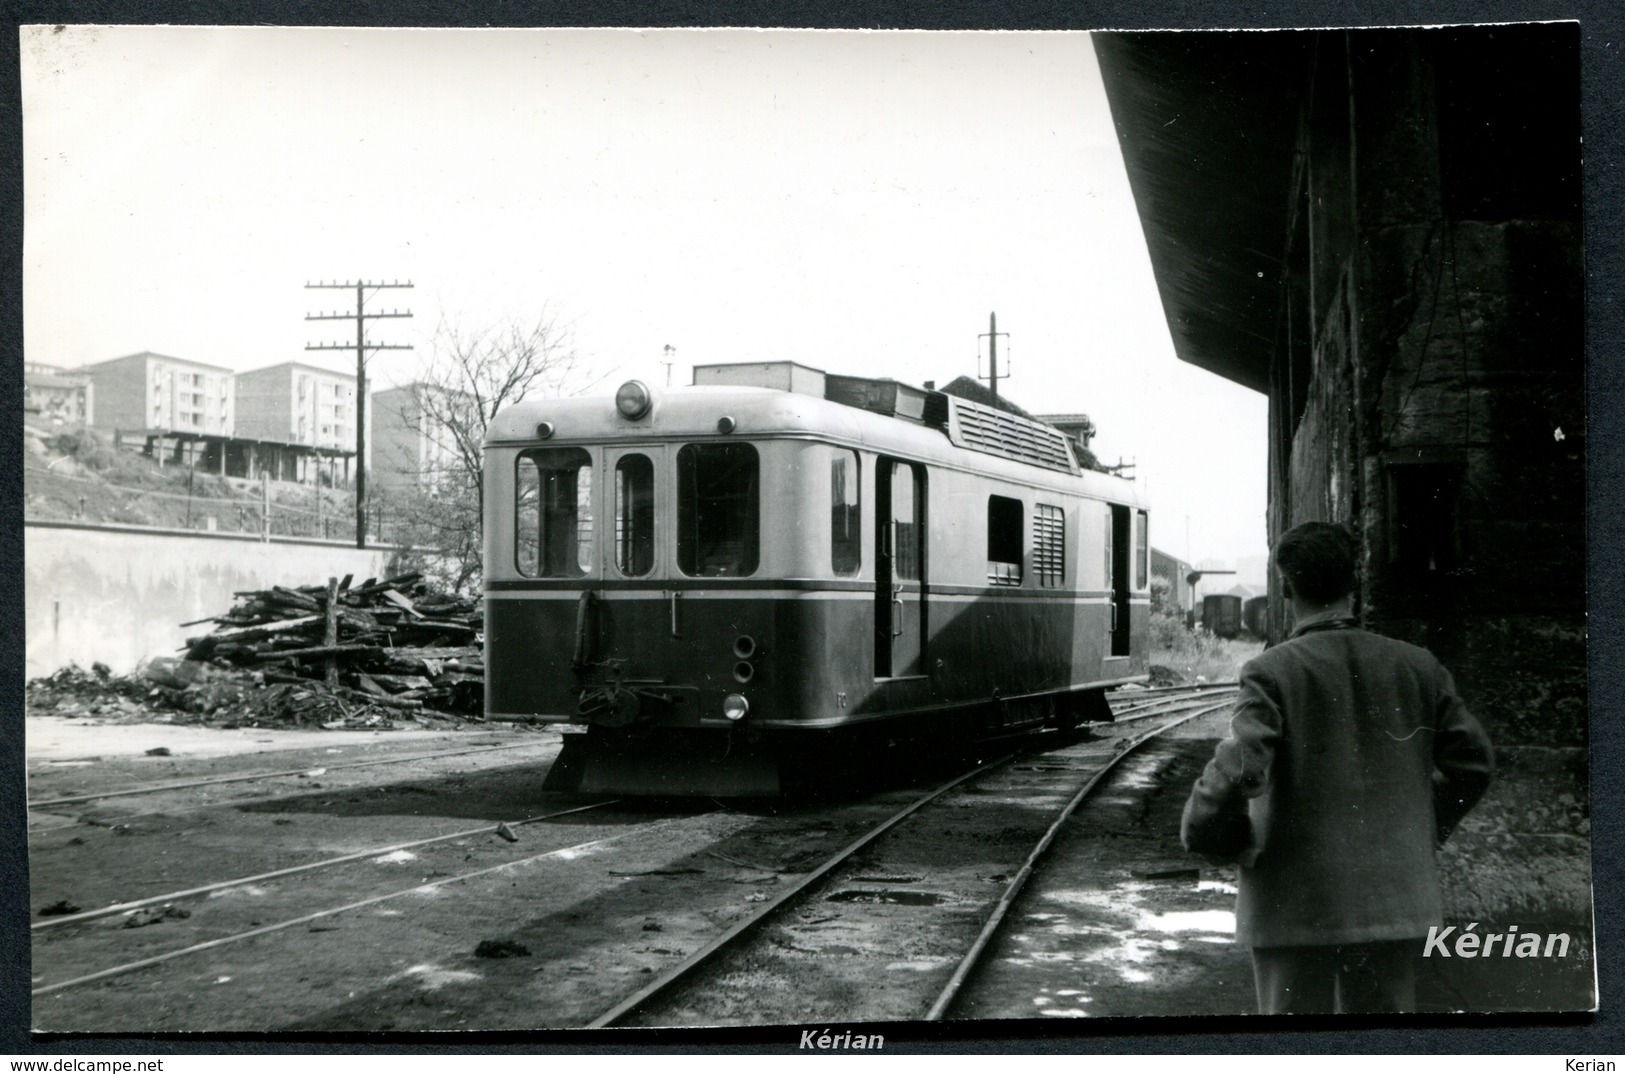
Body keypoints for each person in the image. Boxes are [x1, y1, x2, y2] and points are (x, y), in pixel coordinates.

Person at [1181, 521, 1494, 1015]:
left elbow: (1240, 769)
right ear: (1354, 582)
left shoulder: (1270, 671)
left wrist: (1216, 835)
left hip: (1291, 902)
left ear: (1286, 587)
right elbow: (1474, 764)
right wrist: (1424, 828)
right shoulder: (1418, 666)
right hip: (1392, 901)